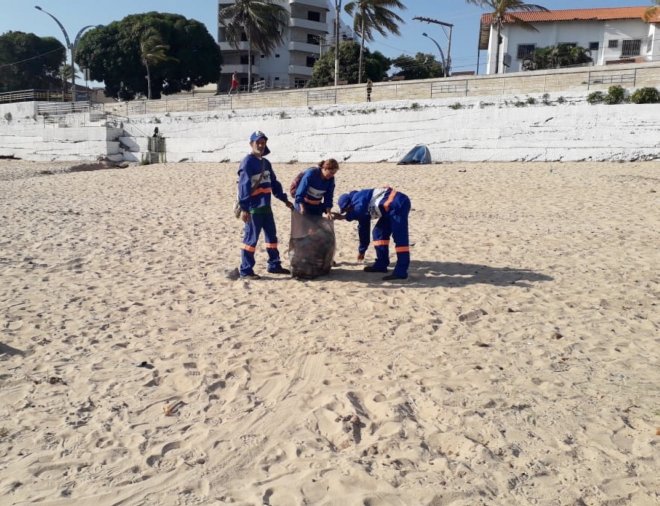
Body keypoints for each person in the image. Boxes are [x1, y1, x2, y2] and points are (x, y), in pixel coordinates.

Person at [236, 130, 294, 279]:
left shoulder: (266, 163)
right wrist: (244, 208)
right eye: (258, 143)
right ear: (251, 144)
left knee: (272, 238)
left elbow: (274, 183)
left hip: (266, 208)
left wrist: (284, 199)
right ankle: (246, 270)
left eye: (263, 143)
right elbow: (243, 186)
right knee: (250, 241)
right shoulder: (247, 162)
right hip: (253, 208)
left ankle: (274, 265)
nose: (261, 145)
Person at [335, 187, 411, 280]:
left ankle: (401, 272)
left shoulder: (358, 200)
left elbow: (363, 226)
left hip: (398, 205)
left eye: (347, 209)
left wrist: (345, 217)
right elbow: (362, 223)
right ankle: (381, 264)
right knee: (378, 233)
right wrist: (362, 250)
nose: (348, 211)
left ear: (350, 204)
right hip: (388, 209)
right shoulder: (358, 199)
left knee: (400, 238)